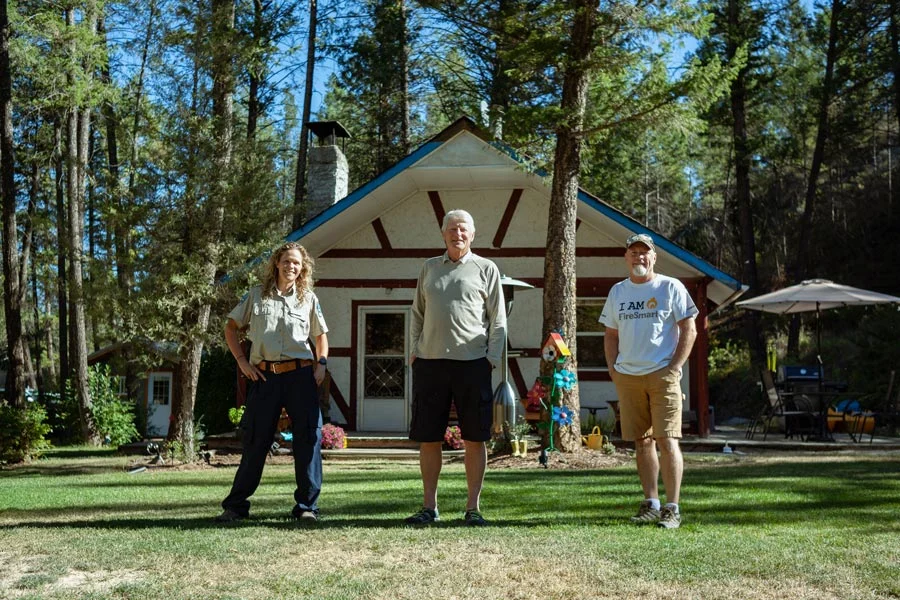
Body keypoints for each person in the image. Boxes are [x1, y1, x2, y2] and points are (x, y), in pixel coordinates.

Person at [405, 209, 507, 526]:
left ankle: (473, 508)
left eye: (463, 229)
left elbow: (498, 320)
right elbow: (417, 313)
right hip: (430, 363)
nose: (457, 234)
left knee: (475, 437)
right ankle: (429, 507)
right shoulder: (429, 268)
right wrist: (414, 351)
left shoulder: (486, 268)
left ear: (472, 234)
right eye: (452, 229)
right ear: (443, 234)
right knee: (429, 437)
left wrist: (490, 358)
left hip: (473, 364)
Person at [215, 241, 329, 523]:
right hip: (265, 377)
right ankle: (236, 506)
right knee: (255, 440)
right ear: (277, 263)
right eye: (287, 261)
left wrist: (322, 364)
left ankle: (306, 507)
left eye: (297, 263)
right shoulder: (256, 296)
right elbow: (230, 327)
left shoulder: (308, 298)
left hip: (300, 376)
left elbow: (321, 336)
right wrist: (242, 362)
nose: (291, 266)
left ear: (302, 268)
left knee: (308, 439)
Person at [600, 233, 698, 529]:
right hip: (628, 376)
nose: (639, 257)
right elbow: (611, 335)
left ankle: (672, 508)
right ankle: (651, 503)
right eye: (633, 252)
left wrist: (675, 367)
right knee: (641, 442)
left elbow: (690, 329)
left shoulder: (670, 287)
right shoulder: (618, 291)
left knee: (667, 440)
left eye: (644, 252)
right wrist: (613, 370)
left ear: (654, 257)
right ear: (626, 257)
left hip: (662, 375)